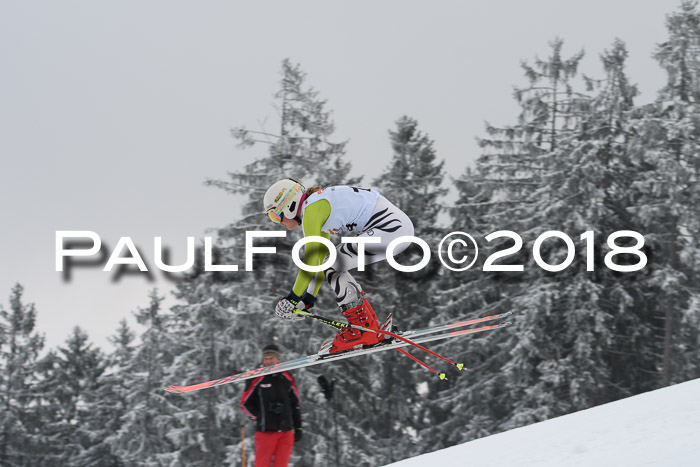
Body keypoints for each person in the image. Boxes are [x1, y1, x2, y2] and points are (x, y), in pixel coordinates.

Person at [263, 179, 415, 354]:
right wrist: (308, 299)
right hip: (395, 228)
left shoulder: (312, 210)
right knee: (332, 262)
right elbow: (319, 258)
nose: (278, 222)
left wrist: (292, 298)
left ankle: (362, 330)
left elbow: (311, 258)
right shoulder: (315, 205)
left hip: (390, 229)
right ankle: (369, 328)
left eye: (276, 216)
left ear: (289, 205)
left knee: (334, 263)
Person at [240, 344, 302, 467]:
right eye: (266, 359)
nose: (268, 361)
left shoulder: (286, 377)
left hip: (286, 432)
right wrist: (260, 416)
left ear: (277, 359)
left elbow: (295, 404)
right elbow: (245, 404)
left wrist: (298, 427)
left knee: (281, 465)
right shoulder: (256, 378)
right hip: (265, 433)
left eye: (271, 358)